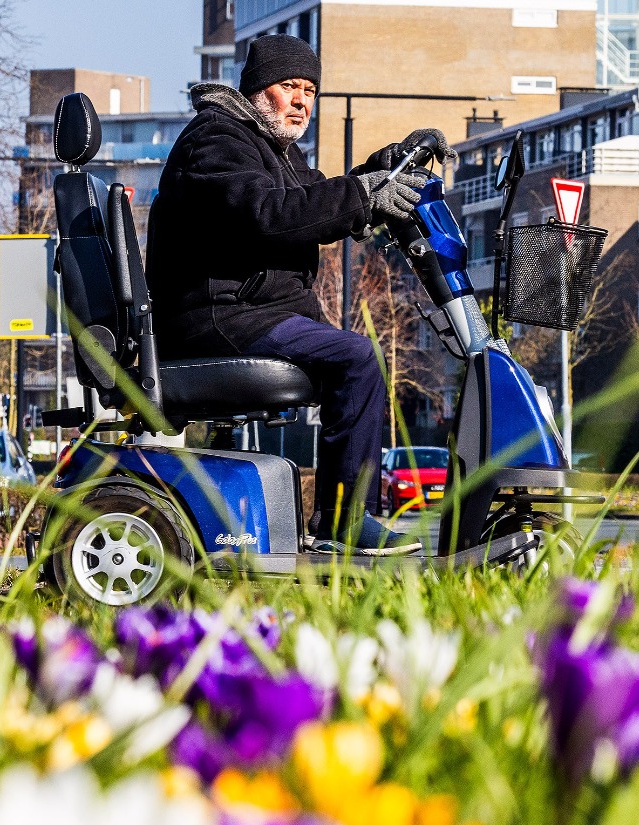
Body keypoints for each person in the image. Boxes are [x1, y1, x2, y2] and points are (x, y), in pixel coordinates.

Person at [146, 34, 450, 555]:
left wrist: (387, 164)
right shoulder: (217, 140)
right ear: (260, 90)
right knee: (356, 358)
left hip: (248, 311)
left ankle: (341, 518)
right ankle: (343, 521)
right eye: (290, 86)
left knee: (355, 357)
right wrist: (364, 194)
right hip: (218, 314)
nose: (302, 100)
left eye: (310, 90)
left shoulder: (268, 151)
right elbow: (271, 214)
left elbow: (318, 197)